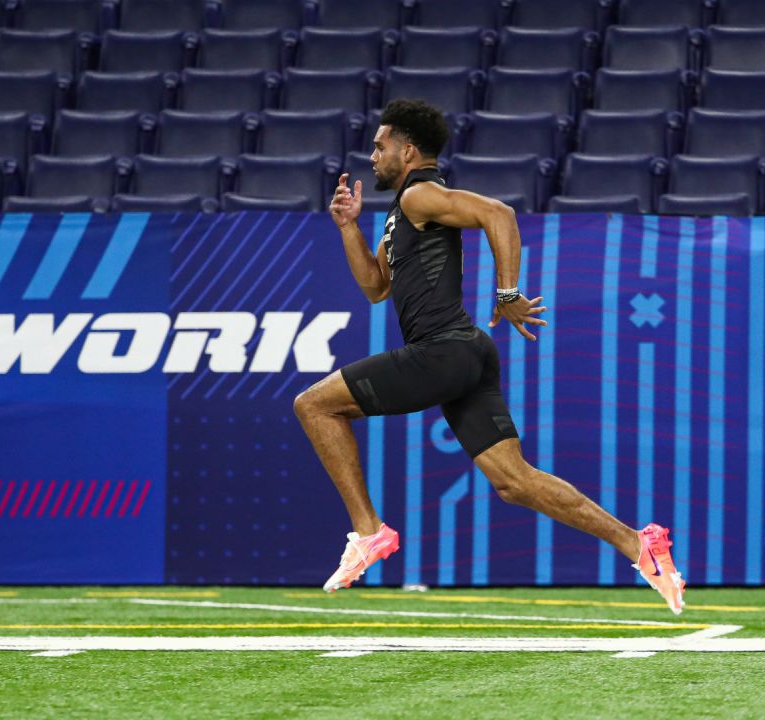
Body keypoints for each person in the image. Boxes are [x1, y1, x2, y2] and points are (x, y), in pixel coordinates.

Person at [292, 99, 685, 615]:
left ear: (408, 151)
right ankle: (639, 544)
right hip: (466, 354)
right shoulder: (404, 209)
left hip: (441, 351)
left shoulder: (420, 194)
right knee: (514, 482)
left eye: (380, 145)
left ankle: (368, 530)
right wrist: (348, 227)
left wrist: (506, 294)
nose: (372, 155)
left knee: (314, 406)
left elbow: (498, 213)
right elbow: (375, 287)